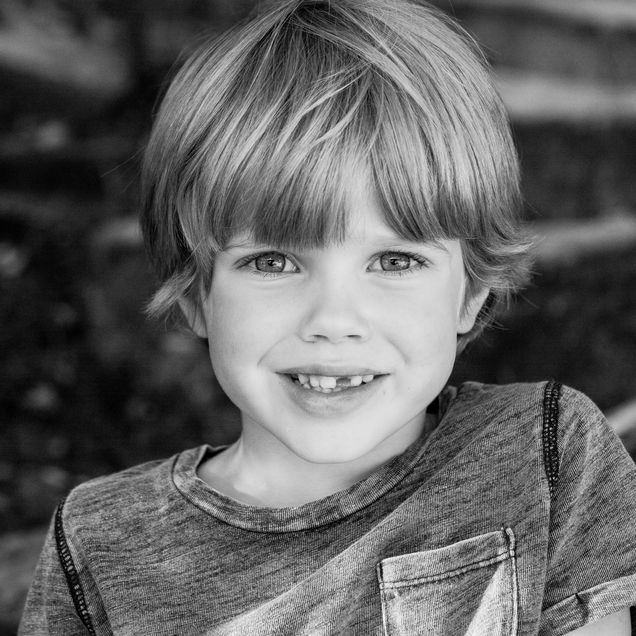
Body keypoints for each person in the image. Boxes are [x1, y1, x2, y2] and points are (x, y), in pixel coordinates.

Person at [19, 0, 636, 634]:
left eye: (395, 260)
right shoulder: (101, 541)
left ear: (471, 292)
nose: (334, 319)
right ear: (195, 294)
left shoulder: (548, 455)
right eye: (274, 262)